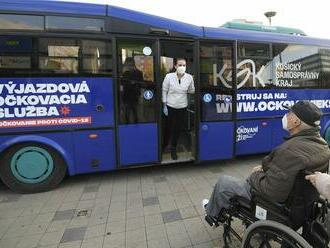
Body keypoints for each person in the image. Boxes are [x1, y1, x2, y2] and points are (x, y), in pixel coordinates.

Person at [202, 100, 330, 221]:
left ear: (296, 122)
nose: (286, 116)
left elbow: (272, 191)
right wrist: (265, 169)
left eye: (289, 113)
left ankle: (211, 214)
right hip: (300, 206)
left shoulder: (290, 150)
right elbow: (287, 171)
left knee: (224, 183)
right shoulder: (324, 146)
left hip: (274, 206)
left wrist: (256, 175)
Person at [162, 58, 195, 160]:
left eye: (184, 65)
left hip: (182, 107)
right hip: (170, 106)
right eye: (180, 65)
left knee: (177, 129)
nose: (182, 67)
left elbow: (191, 91)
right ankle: (163, 146)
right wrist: (164, 105)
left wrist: (192, 85)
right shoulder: (169, 76)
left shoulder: (189, 78)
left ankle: (173, 149)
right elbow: (164, 90)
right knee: (167, 128)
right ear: (175, 66)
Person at [121, 57, 143, 124]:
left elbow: (123, 84)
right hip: (133, 96)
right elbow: (140, 84)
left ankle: (129, 126)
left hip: (129, 96)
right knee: (134, 113)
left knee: (129, 114)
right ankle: (135, 127)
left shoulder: (126, 73)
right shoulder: (138, 73)